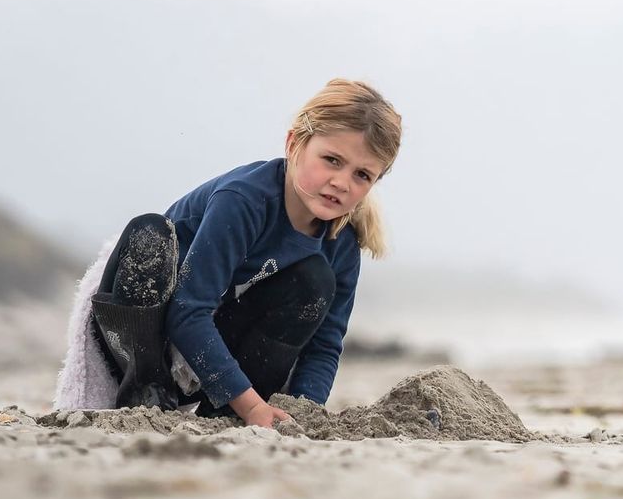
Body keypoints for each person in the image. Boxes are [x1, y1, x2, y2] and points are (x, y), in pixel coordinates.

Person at [71, 78, 401, 428]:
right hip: (144, 334)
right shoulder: (243, 200)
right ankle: (147, 391)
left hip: (212, 352)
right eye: (332, 160)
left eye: (362, 175)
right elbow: (187, 310)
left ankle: (224, 414)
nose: (342, 182)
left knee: (314, 280)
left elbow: (324, 347)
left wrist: (304, 414)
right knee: (148, 232)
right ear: (294, 144)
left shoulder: (341, 243)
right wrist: (252, 407)